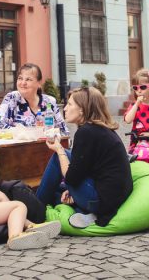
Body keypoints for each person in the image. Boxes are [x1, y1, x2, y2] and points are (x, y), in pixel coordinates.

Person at [36, 87, 132, 229]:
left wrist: (59, 149)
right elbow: (86, 168)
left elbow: (71, 178)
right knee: (59, 190)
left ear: (82, 109)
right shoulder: (99, 129)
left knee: (59, 157)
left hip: (101, 202)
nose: (65, 109)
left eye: (69, 104)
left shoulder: (86, 132)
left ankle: (35, 210)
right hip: (111, 196)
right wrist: (72, 190)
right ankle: (76, 207)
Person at [0, 63, 68, 134]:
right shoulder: (12, 98)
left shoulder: (49, 101)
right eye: (20, 78)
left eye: (28, 79)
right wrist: (26, 133)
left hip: (46, 146)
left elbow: (63, 131)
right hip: (20, 146)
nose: (23, 83)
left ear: (39, 83)